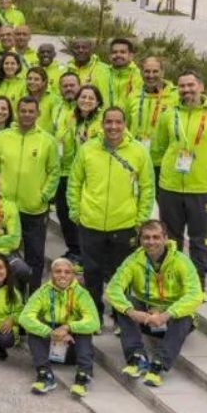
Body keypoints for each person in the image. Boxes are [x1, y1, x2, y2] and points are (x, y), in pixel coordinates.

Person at [68, 106, 156, 322]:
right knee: (92, 273)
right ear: (102, 124)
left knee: (122, 275)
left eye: (118, 122)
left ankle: (120, 318)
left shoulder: (138, 151)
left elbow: (147, 187)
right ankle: (93, 315)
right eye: (109, 122)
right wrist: (75, 210)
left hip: (124, 224)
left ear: (125, 125)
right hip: (90, 222)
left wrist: (141, 219)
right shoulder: (88, 149)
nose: (113, 127)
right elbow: (75, 182)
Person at [107, 220, 205, 387]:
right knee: (125, 304)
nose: (151, 242)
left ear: (165, 238)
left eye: (156, 237)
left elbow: (195, 294)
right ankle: (137, 357)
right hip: (146, 318)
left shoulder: (181, 261)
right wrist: (133, 312)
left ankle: (158, 365)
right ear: (140, 239)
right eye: (146, 238)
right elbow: (113, 288)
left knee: (185, 315)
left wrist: (166, 314)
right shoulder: (133, 260)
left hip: (171, 319)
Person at [0, 97, 59, 289]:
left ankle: (33, 297)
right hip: (4, 209)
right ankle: (10, 296)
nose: (26, 114)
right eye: (23, 111)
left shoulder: (47, 141)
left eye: (30, 111)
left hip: (34, 210)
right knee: (5, 255)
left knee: (35, 256)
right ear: (17, 112)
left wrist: (44, 195)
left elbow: (54, 171)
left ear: (38, 113)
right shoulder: (1, 138)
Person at [153, 71, 207, 283]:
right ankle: (173, 280)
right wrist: (160, 180)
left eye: (191, 85)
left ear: (201, 86)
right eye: (182, 86)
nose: (186, 90)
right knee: (171, 239)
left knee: (199, 239)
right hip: (171, 187)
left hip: (201, 188)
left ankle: (197, 283)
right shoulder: (168, 114)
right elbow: (158, 149)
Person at [18, 258, 100, 397]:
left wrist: (68, 328)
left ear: (73, 275)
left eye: (67, 272)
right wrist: (50, 332)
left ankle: (83, 376)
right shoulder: (42, 292)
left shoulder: (81, 293)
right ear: (51, 274)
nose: (62, 275)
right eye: (58, 271)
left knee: (84, 331)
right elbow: (24, 318)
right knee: (34, 330)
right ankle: (45, 375)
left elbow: (94, 322)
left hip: (71, 347)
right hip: (49, 347)